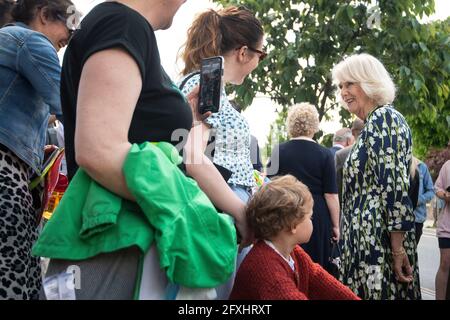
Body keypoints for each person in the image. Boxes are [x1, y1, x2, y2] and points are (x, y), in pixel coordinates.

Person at [35, 0, 251, 300]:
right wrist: (193, 212)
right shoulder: (122, 24)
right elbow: (99, 149)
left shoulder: (122, 26)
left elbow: (187, 157)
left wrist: (190, 121)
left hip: (125, 243)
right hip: (119, 243)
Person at [0, 0, 75, 300]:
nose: (61, 46)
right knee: (15, 277)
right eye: (64, 37)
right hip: (5, 172)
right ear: (44, 14)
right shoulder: (31, 41)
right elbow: (66, 103)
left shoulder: (8, 38)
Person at [332, 53, 420, 299]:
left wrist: (397, 249)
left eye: (350, 84)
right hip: (367, 246)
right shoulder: (374, 122)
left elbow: (394, 188)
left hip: (378, 247)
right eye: (341, 86)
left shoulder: (384, 118)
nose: (343, 92)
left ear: (369, 82)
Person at [178, 6, 265, 204]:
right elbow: (195, 160)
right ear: (243, 52)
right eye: (261, 54)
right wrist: (240, 213)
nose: (259, 62)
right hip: (225, 198)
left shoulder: (197, 80)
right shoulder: (207, 85)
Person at [230, 175, 359, 300]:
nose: (311, 222)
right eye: (310, 217)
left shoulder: (292, 252)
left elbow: (320, 281)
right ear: (293, 225)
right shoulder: (267, 269)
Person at [267, 103, 340, 272]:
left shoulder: (279, 150)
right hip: (316, 215)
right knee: (315, 267)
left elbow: (269, 186)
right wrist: (336, 225)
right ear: (314, 125)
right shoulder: (325, 154)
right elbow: (331, 195)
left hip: (286, 212)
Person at [335, 118, 364, 202]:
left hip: (351, 207)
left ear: (352, 131)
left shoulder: (342, 155)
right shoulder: (381, 152)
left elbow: (338, 189)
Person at [434, 160, 450, 300]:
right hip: (447, 227)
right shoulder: (447, 166)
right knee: (445, 263)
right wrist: (445, 195)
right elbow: (437, 188)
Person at [410, 157, 434, 243]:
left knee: (411, 254)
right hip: (397, 219)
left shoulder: (421, 166)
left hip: (417, 219)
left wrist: (417, 200)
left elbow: (431, 191)